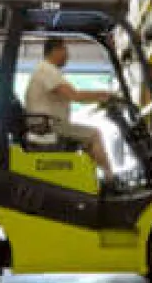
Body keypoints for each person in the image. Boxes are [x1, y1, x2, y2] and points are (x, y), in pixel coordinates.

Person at [24, 37, 115, 178]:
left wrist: (99, 98)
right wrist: (106, 95)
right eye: (65, 50)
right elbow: (75, 95)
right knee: (94, 135)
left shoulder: (45, 70)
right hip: (50, 127)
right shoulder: (47, 70)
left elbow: (72, 97)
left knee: (86, 139)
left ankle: (91, 180)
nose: (68, 55)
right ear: (56, 50)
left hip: (48, 125)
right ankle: (110, 178)